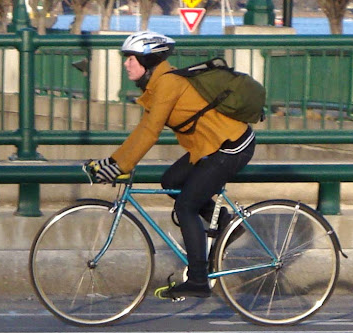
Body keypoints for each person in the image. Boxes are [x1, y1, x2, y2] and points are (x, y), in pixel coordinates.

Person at [90, 31, 255, 298]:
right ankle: (227, 223)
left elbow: (150, 132)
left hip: (231, 146)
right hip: (211, 145)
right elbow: (143, 128)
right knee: (170, 181)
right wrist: (113, 162)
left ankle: (199, 280)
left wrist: (120, 165)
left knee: (186, 205)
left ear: (148, 60)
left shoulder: (167, 83)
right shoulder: (157, 85)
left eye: (131, 58)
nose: (126, 63)